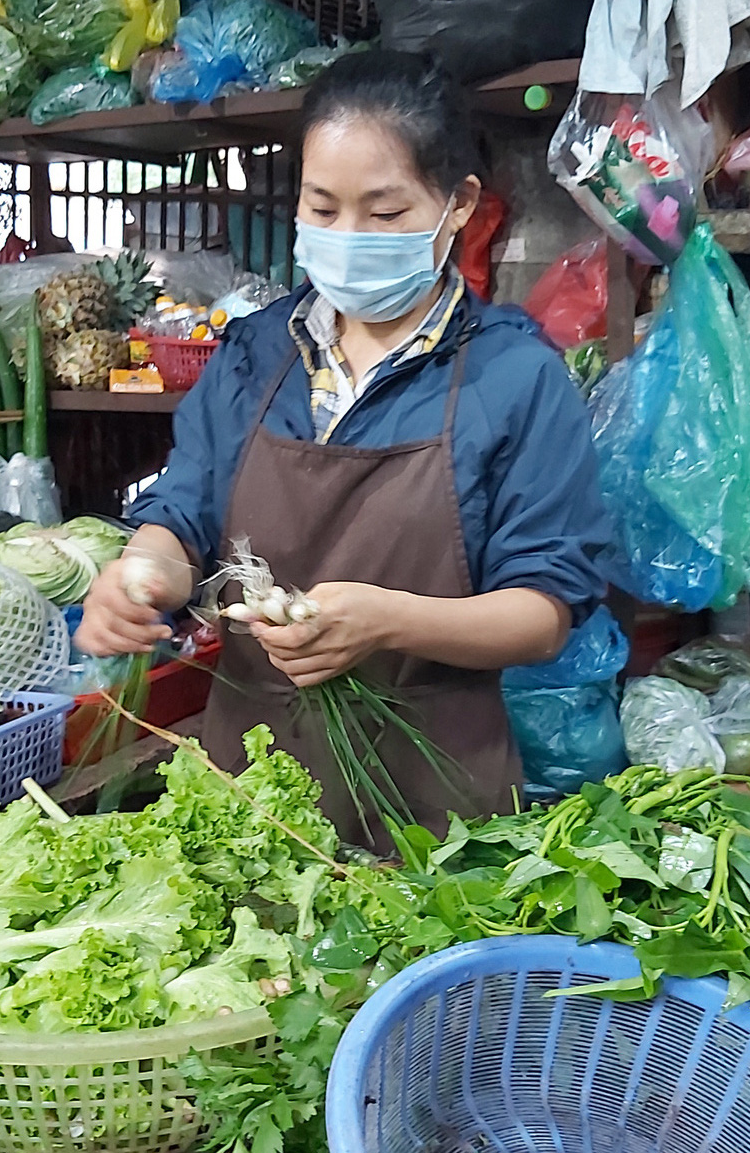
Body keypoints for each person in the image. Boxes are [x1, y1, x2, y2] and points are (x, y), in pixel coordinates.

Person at [76, 51, 614, 851]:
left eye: (386, 212)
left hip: (435, 809)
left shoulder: (515, 375)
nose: (347, 237)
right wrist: (145, 574)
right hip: (249, 795)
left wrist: (386, 621)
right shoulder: (257, 352)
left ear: (459, 203)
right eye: (321, 208)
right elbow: (185, 513)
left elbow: (542, 613)